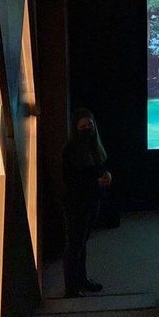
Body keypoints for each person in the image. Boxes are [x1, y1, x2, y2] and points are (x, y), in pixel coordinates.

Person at [62, 108, 112, 297]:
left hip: (93, 201)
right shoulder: (69, 150)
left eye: (89, 124)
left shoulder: (95, 145)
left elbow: (100, 167)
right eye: (82, 126)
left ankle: (82, 280)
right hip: (76, 204)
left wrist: (107, 175)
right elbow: (70, 181)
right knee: (75, 245)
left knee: (82, 243)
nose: (87, 128)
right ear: (76, 128)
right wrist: (95, 182)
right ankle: (71, 288)